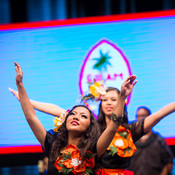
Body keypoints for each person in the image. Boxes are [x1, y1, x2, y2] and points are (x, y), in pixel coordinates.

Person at [10, 67, 175, 174]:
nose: (76, 117)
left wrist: (123, 95)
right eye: (105, 99)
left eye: (114, 99)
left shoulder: (96, 146)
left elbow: (113, 127)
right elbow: (33, 116)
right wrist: (22, 91)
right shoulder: (56, 142)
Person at [128, 106, 174, 175]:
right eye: (138, 116)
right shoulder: (129, 140)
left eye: (143, 116)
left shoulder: (159, 141)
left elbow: (168, 163)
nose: (141, 118)